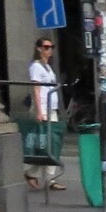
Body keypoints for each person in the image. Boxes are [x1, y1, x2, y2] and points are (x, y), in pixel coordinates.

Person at [24, 38, 62, 193]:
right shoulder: (36, 67)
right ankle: (49, 179)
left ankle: (33, 173)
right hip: (43, 109)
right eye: (46, 47)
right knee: (48, 144)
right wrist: (39, 111)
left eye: (51, 47)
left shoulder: (47, 67)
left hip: (51, 109)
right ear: (39, 49)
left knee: (48, 145)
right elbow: (36, 89)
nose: (49, 50)